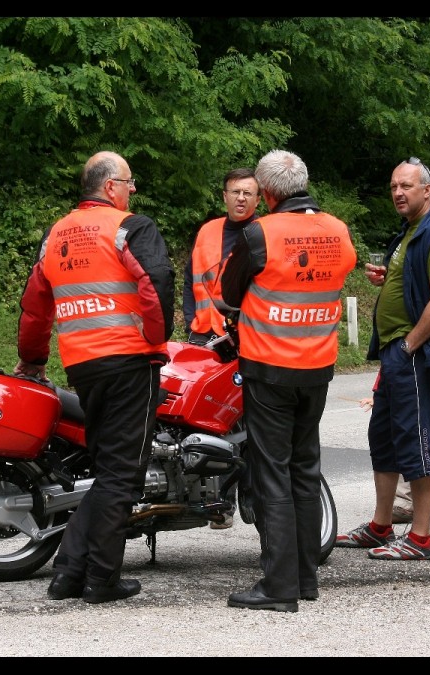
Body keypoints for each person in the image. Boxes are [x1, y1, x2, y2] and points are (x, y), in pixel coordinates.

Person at [14, 150, 175, 603]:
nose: (134, 189)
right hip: (129, 362)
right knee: (122, 476)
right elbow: (156, 281)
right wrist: (157, 339)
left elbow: (35, 305)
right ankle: (101, 580)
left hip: (82, 365)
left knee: (107, 473)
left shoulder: (56, 234)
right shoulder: (130, 227)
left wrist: (32, 358)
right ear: (110, 187)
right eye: (129, 181)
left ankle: (68, 573)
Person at [219, 149, 356, 612]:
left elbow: (229, 293)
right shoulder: (337, 230)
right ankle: (305, 578)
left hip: (269, 369)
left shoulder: (259, 234)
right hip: (317, 368)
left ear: (269, 193)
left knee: (272, 473)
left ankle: (278, 587)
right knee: (305, 469)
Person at [336, 156, 430, 561]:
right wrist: (388, 277)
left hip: (414, 354)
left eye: (406, 186)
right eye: (394, 186)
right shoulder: (411, 232)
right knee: (385, 437)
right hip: (396, 352)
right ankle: (381, 526)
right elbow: (416, 283)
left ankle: (421, 537)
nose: (398, 192)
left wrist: (410, 345)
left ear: (427, 190)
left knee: (417, 438)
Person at [182, 167, 261, 530]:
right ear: (224, 196)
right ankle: (217, 502)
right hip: (204, 338)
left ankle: (249, 495)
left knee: (245, 425)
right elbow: (189, 278)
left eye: (248, 192)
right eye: (235, 191)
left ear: (258, 199)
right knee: (205, 423)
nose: (241, 198)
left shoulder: (262, 234)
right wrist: (189, 323)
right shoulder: (208, 231)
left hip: (246, 342)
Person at [358, 370, 430, 523]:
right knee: (402, 442)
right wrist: (382, 393)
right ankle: (407, 502)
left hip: (421, 386)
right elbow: (390, 363)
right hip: (400, 386)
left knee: (419, 445)